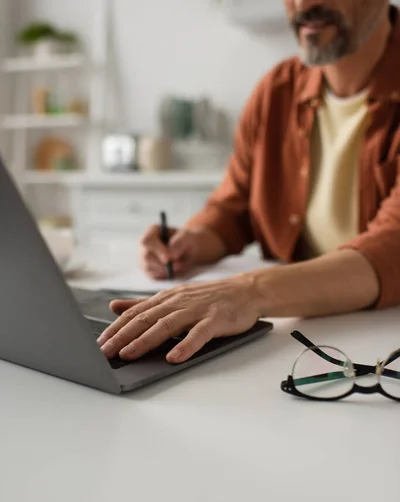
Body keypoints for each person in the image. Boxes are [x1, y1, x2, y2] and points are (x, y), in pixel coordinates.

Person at [97, 0, 400, 365]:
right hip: (304, 345)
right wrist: (191, 242)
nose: (304, 4)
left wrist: (247, 292)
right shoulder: (277, 90)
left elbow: (392, 248)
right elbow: (234, 207)